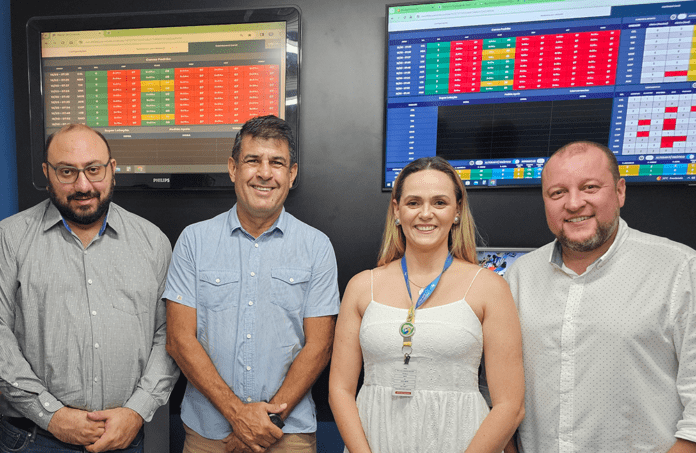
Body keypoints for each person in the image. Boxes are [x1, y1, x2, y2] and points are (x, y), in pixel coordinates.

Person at [504, 141, 696, 453]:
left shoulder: (679, 269)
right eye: (558, 192)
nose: (574, 203)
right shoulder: (519, 277)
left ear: (620, 191)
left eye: (589, 187)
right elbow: (501, 394)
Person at [164, 115, 340, 453]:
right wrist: (238, 415)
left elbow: (320, 346)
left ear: (292, 173)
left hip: (287, 434)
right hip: (209, 435)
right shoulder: (193, 242)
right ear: (233, 168)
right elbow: (179, 339)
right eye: (253, 160)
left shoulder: (316, 247)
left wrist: (266, 423)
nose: (264, 173)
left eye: (277, 163)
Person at [0, 123, 179, 453]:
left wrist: (137, 410)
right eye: (67, 172)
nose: (83, 185)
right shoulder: (9, 239)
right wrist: (51, 415)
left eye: (94, 170)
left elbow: (169, 334)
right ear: (47, 173)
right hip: (34, 439)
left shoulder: (152, 242)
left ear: (112, 169)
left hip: (124, 438)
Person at [329, 156, 525, 453]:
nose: (425, 213)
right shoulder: (361, 287)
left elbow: (510, 405)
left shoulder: (489, 288)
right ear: (396, 209)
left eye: (439, 202)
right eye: (413, 203)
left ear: (457, 211)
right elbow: (339, 390)